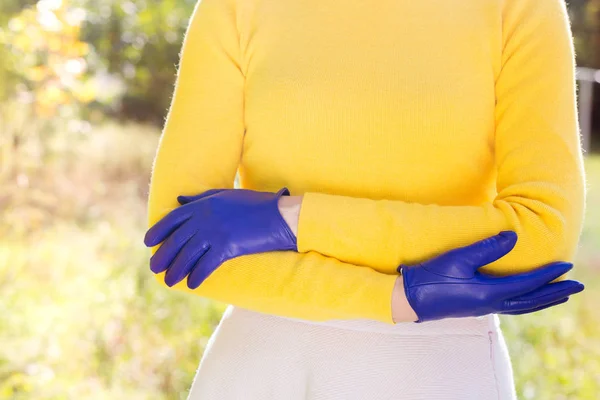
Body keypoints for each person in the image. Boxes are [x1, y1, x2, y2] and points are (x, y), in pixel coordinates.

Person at [143, 0, 587, 398]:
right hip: (264, 369)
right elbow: (177, 243)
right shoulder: (238, 7)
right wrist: (394, 296)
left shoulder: (521, 9)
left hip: (440, 371)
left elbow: (539, 236)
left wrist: (291, 219)